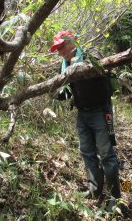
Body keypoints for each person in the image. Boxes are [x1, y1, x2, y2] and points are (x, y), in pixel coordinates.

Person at [50, 30, 121, 211]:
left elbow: (99, 69)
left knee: (106, 155)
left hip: (101, 111)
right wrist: (55, 92)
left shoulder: (91, 53)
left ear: (73, 41)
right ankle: (95, 191)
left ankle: (115, 197)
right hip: (82, 114)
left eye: (62, 46)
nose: (61, 51)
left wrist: (76, 65)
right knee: (87, 153)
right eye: (58, 48)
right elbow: (66, 92)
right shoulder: (63, 64)